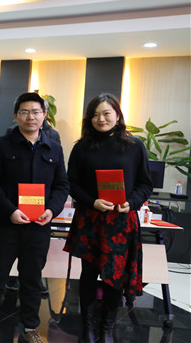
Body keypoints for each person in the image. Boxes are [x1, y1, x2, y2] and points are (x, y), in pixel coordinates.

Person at [0, 92, 69, 343]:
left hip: (38, 227)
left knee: (32, 279)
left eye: (36, 112)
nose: (31, 117)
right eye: (25, 112)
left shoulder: (54, 148)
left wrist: (52, 210)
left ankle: (30, 328)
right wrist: (10, 210)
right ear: (16, 115)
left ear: (44, 115)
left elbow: (62, 185)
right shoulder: (1, 146)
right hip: (7, 224)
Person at [64, 94, 152, 343]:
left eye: (106, 113)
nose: (100, 119)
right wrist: (92, 201)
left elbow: (146, 184)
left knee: (116, 276)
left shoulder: (134, 146)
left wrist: (131, 202)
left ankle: (107, 327)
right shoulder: (82, 147)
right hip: (91, 219)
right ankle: (87, 327)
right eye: (95, 115)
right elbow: (71, 183)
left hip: (121, 222)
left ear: (117, 115)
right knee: (89, 274)